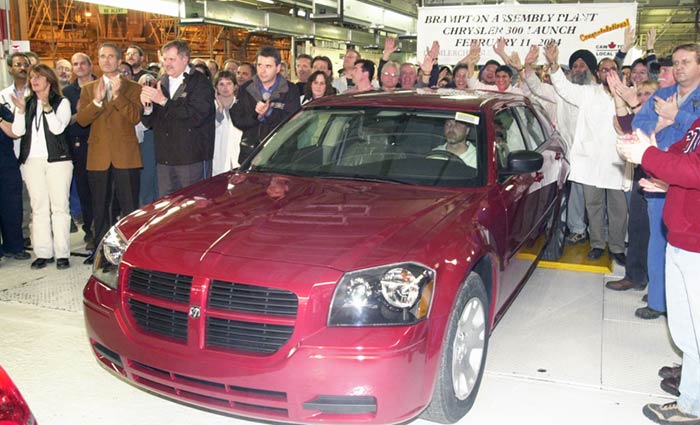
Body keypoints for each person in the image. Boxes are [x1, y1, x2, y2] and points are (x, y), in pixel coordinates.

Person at [617, 123, 700, 425]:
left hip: (696, 243)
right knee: (688, 332)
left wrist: (647, 155)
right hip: (683, 238)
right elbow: (682, 152)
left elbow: (695, 169)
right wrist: (658, 159)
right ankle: (691, 403)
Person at [632, 43, 700, 320]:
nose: (679, 67)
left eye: (686, 61)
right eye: (676, 62)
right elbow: (637, 126)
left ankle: (684, 308)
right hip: (658, 179)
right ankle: (659, 301)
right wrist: (659, 125)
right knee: (659, 241)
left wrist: (677, 117)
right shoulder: (662, 95)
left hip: (690, 186)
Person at [545, 41, 628, 265]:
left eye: (612, 69)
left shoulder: (629, 95)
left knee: (618, 209)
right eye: (604, 70)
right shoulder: (587, 93)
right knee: (593, 206)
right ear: (597, 74)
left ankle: (618, 247)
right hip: (591, 162)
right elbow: (563, 88)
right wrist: (553, 64)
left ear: (618, 72)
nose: (608, 73)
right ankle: (598, 244)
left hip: (617, 162)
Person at [76, 43, 143, 264]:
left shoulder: (132, 87)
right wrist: (96, 101)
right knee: (100, 206)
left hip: (126, 155)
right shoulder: (88, 89)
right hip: (99, 156)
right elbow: (83, 120)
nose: (106, 60)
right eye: (102, 56)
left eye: (111, 56)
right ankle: (100, 254)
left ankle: (130, 253)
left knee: (129, 206)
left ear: (118, 59)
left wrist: (117, 96)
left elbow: (135, 117)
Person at [11, 64, 72, 270]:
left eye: (38, 76)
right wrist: (20, 111)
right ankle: (43, 253)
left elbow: (57, 128)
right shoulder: (27, 103)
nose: (34, 80)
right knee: (38, 209)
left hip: (58, 161)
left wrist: (46, 106)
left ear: (48, 80)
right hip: (32, 161)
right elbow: (18, 131)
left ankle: (62, 253)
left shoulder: (61, 102)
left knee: (59, 208)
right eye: (32, 77)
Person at [140, 40, 216, 196]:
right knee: (167, 207)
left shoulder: (200, 83)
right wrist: (148, 107)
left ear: (185, 59)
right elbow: (151, 122)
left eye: (172, 59)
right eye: (165, 59)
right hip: (165, 159)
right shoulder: (162, 82)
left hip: (191, 158)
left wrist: (163, 101)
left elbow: (196, 116)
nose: (167, 64)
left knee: (192, 205)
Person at [231, 46, 300, 163]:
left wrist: (269, 113)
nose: (262, 71)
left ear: (278, 68)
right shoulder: (245, 89)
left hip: (281, 155)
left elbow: (293, 122)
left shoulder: (290, 90)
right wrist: (257, 116)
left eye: (268, 66)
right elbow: (237, 119)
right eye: (259, 65)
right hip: (251, 154)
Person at [63, 52, 96, 250]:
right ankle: (89, 230)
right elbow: (65, 122)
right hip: (79, 144)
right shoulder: (67, 92)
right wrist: (80, 114)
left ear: (91, 65)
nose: (80, 67)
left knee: (104, 191)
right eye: (76, 64)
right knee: (84, 190)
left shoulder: (103, 86)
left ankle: (104, 227)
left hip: (102, 143)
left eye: (83, 63)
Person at [0, 53, 32, 248]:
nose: (21, 67)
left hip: (31, 151)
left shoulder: (37, 91)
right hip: (10, 153)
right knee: (14, 199)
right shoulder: (3, 95)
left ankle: (22, 238)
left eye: (25, 64)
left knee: (26, 200)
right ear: (10, 68)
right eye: (17, 64)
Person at [0, 103, 30, 264]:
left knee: (12, 207)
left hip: (6, 164)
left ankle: (15, 247)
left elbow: (15, 132)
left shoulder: (1, 109)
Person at [212, 70, 242, 176]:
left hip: (237, 156)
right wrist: (219, 110)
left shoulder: (241, 105)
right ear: (216, 88)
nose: (225, 87)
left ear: (235, 86)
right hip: (217, 157)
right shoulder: (211, 106)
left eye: (229, 83)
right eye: (221, 84)